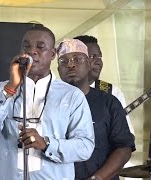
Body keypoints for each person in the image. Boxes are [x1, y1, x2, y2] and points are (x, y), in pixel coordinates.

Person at [0, 24, 95, 179]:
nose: (32, 51)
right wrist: (10, 88)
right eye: (27, 46)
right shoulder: (0, 89)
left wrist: (47, 144)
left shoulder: (71, 95)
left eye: (40, 47)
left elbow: (85, 146)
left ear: (52, 54)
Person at [57, 38, 135, 180]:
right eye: (64, 61)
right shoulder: (49, 103)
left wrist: (97, 178)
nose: (71, 65)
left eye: (78, 59)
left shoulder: (109, 102)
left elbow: (124, 146)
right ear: (58, 69)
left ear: (88, 65)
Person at [74, 35, 135, 134]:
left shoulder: (111, 92)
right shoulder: (59, 91)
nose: (99, 62)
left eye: (100, 57)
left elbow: (128, 137)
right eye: (92, 57)